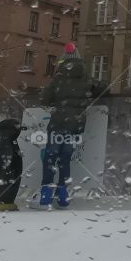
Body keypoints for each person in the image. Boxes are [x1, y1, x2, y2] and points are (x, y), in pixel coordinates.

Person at [37, 42, 101, 209]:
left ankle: (46, 195)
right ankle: (63, 195)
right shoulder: (86, 78)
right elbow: (102, 88)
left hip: (58, 123)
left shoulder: (59, 77)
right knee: (65, 159)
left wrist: (55, 105)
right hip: (75, 126)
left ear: (63, 61)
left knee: (51, 158)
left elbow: (44, 99)